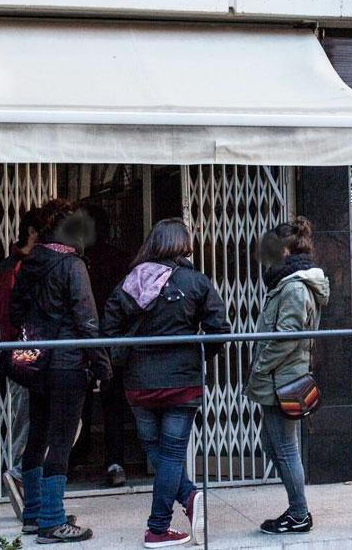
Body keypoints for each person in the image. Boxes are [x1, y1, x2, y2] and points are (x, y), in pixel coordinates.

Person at [102, 218, 230, 549]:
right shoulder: (197, 282)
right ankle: (160, 526)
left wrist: (123, 357)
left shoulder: (131, 281)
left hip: (139, 381)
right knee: (172, 453)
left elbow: (109, 327)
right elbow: (219, 330)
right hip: (181, 382)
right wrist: (197, 356)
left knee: (155, 448)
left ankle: (185, 499)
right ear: (183, 243)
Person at [10, 199, 111, 543]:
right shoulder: (72, 265)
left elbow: (15, 311)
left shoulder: (30, 264)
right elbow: (87, 320)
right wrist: (101, 364)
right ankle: (52, 521)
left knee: (37, 436)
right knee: (61, 441)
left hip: (36, 362)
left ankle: (33, 514)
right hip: (67, 364)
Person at [246, 217, 329, 535]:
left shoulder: (294, 286)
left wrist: (261, 366)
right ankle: (297, 510)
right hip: (282, 376)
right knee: (274, 444)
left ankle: (298, 513)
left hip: (283, 379)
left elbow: (287, 337)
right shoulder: (291, 281)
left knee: (285, 447)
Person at [75, 204, 134, 488]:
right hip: (110, 338)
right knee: (112, 403)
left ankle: (80, 454)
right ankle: (114, 461)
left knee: (80, 400)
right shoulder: (120, 259)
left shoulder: (78, 261)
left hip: (86, 338)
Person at [0, 206, 45, 521]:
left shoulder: (26, 267)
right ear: (32, 233)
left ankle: (27, 488)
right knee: (28, 422)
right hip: (24, 357)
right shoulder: (13, 270)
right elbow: (9, 317)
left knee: (38, 422)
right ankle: (20, 478)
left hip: (31, 355)